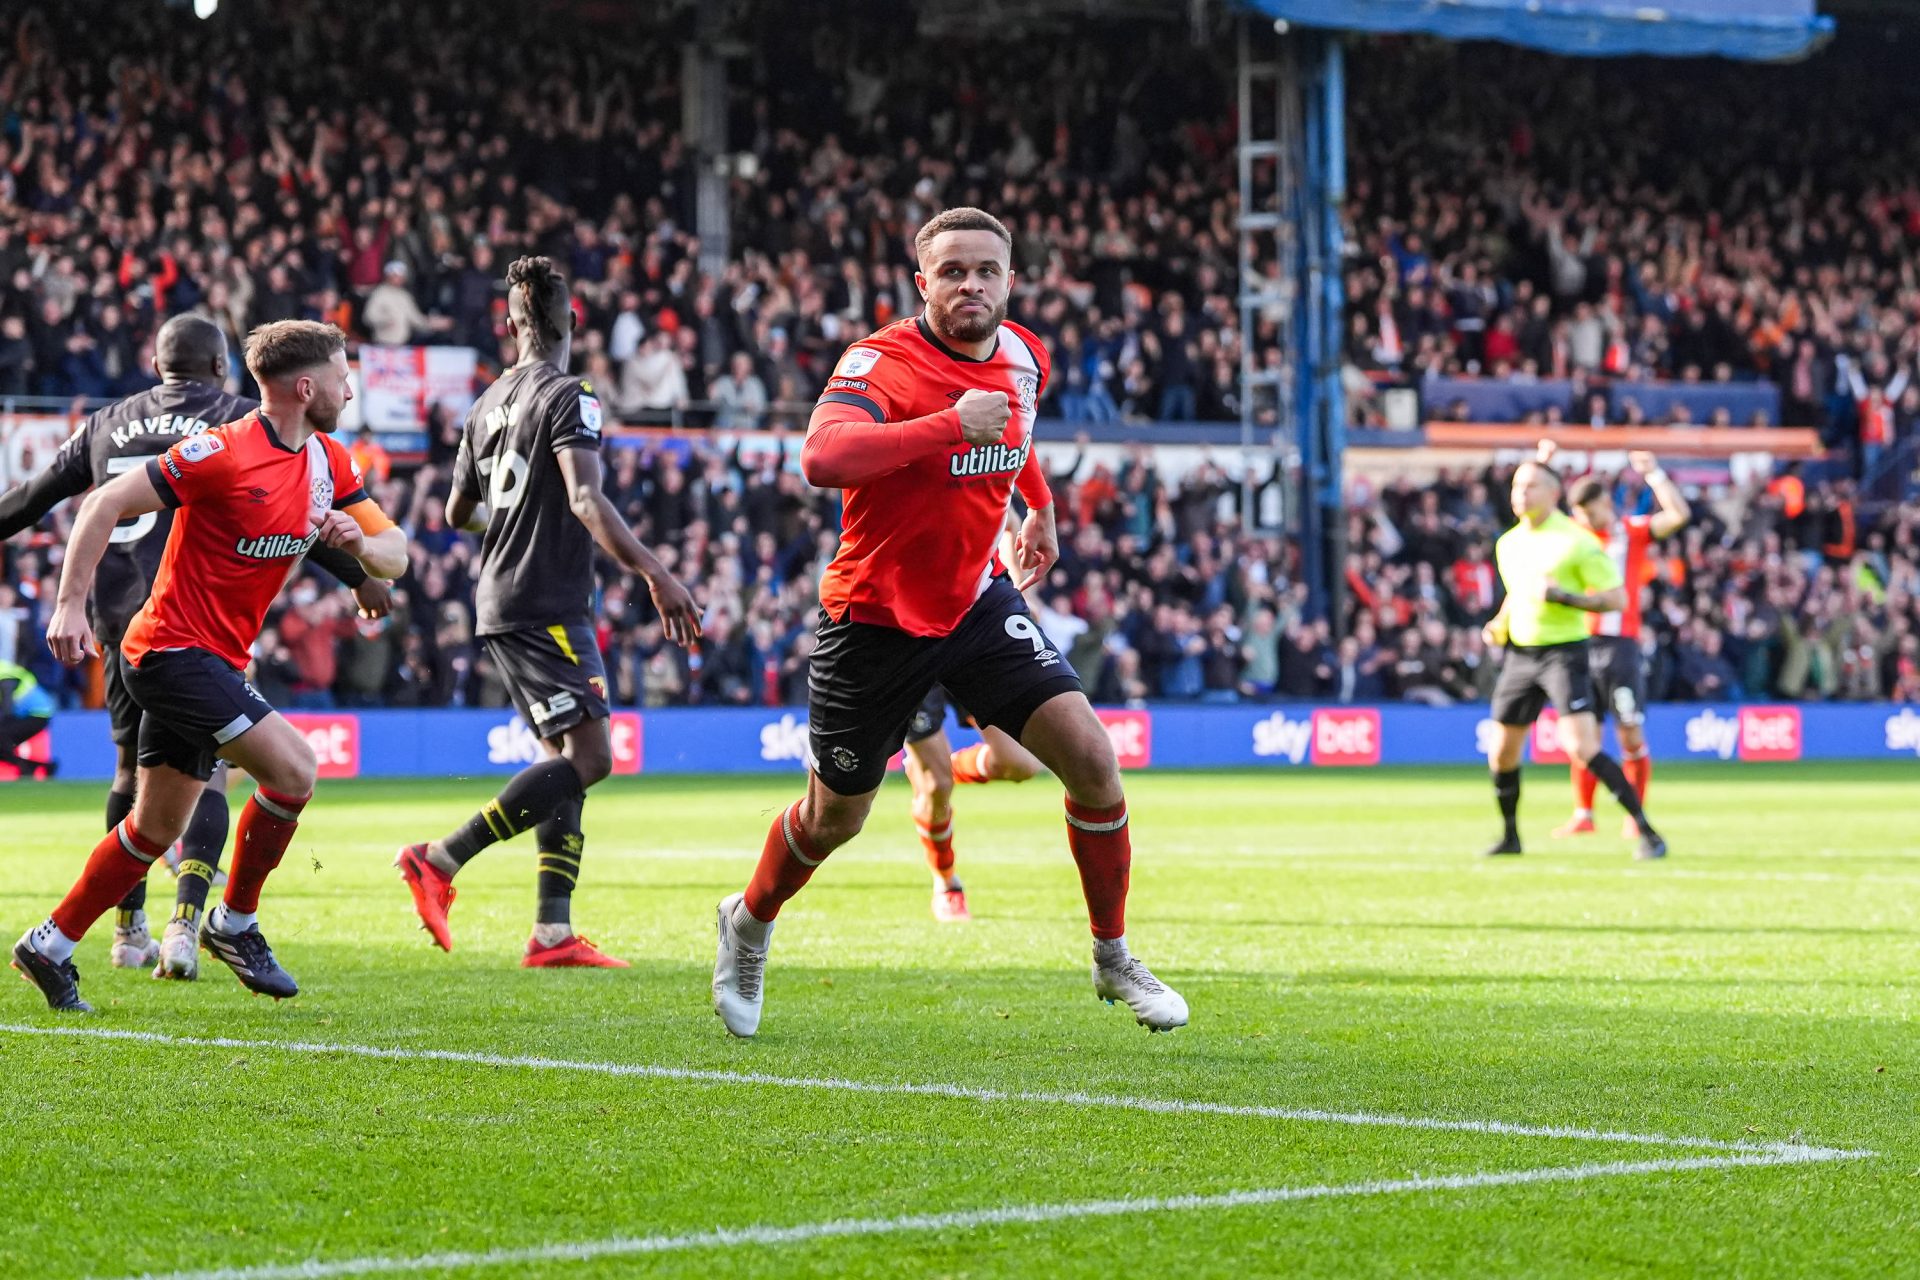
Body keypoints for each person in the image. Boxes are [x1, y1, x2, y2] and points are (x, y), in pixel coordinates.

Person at [710, 207, 1188, 1038]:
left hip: (975, 600)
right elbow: (821, 458)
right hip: (873, 618)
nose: (972, 284)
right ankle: (748, 923)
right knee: (834, 820)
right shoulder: (880, 361)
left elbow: (1014, 431)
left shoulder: (1025, 354)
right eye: (954, 271)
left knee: (1092, 762)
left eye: (987, 270)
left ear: (1011, 281)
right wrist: (946, 426)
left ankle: (1113, 956)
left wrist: (1038, 505)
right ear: (922, 283)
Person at [11, 320, 408, 1012]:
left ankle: (49, 945)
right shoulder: (222, 451)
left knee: (153, 829)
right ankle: (235, 922)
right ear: (305, 387)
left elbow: (395, 552)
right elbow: (104, 500)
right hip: (167, 650)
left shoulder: (330, 461)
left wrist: (363, 547)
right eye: (343, 379)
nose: (350, 392)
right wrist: (69, 605)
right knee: (295, 770)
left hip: (212, 656)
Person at [395, 256, 700, 968]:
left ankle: (552, 933)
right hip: (546, 600)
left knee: (562, 757)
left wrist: (514, 519)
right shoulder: (571, 395)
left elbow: (458, 512)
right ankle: (439, 858)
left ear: (510, 326)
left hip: (502, 595)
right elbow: (586, 498)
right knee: (591, 758)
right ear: (574, 321)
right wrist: (657, 574)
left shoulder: (485, 403)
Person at [1481, 457, 1666, 861]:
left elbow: (1617, 598)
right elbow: (1518, 593)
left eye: (1530, 486)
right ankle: (1510, 836)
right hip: (1521, 653)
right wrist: (1499, 623)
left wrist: (1564, 597)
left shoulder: (1576, 541)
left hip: (1565, 651)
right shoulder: (1508, 543)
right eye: (1516, 486)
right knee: (1502, 752)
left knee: (1582, 747)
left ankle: (1647, 831)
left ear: (1553, 494)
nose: (1520, 493)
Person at [1550, 447, 1691, 839]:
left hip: (1620, 648)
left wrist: (1654, 474)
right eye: (1578, 514)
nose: (1584, 519)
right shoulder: (1574, 535)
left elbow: (1678, 515)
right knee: (1584, 737)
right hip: (1579, 642)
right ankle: (1583, 814)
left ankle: (1635, 813)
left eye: (1589, 512)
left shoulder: (1631, 531)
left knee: (1629, 733)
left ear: (1605, 504)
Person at [901, 685, 1045, 921]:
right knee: (936, 788)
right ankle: (946, 882)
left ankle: (939, 770)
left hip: (968, 660)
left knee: (1021, 763)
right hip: (913, 667)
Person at [0, 659, 55, 778]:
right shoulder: (4, 670)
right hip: (31, 714)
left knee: (2, 738)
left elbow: (7, 710)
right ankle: (41, 767)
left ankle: (27, 767)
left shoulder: (4, 675)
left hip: (38, 714)